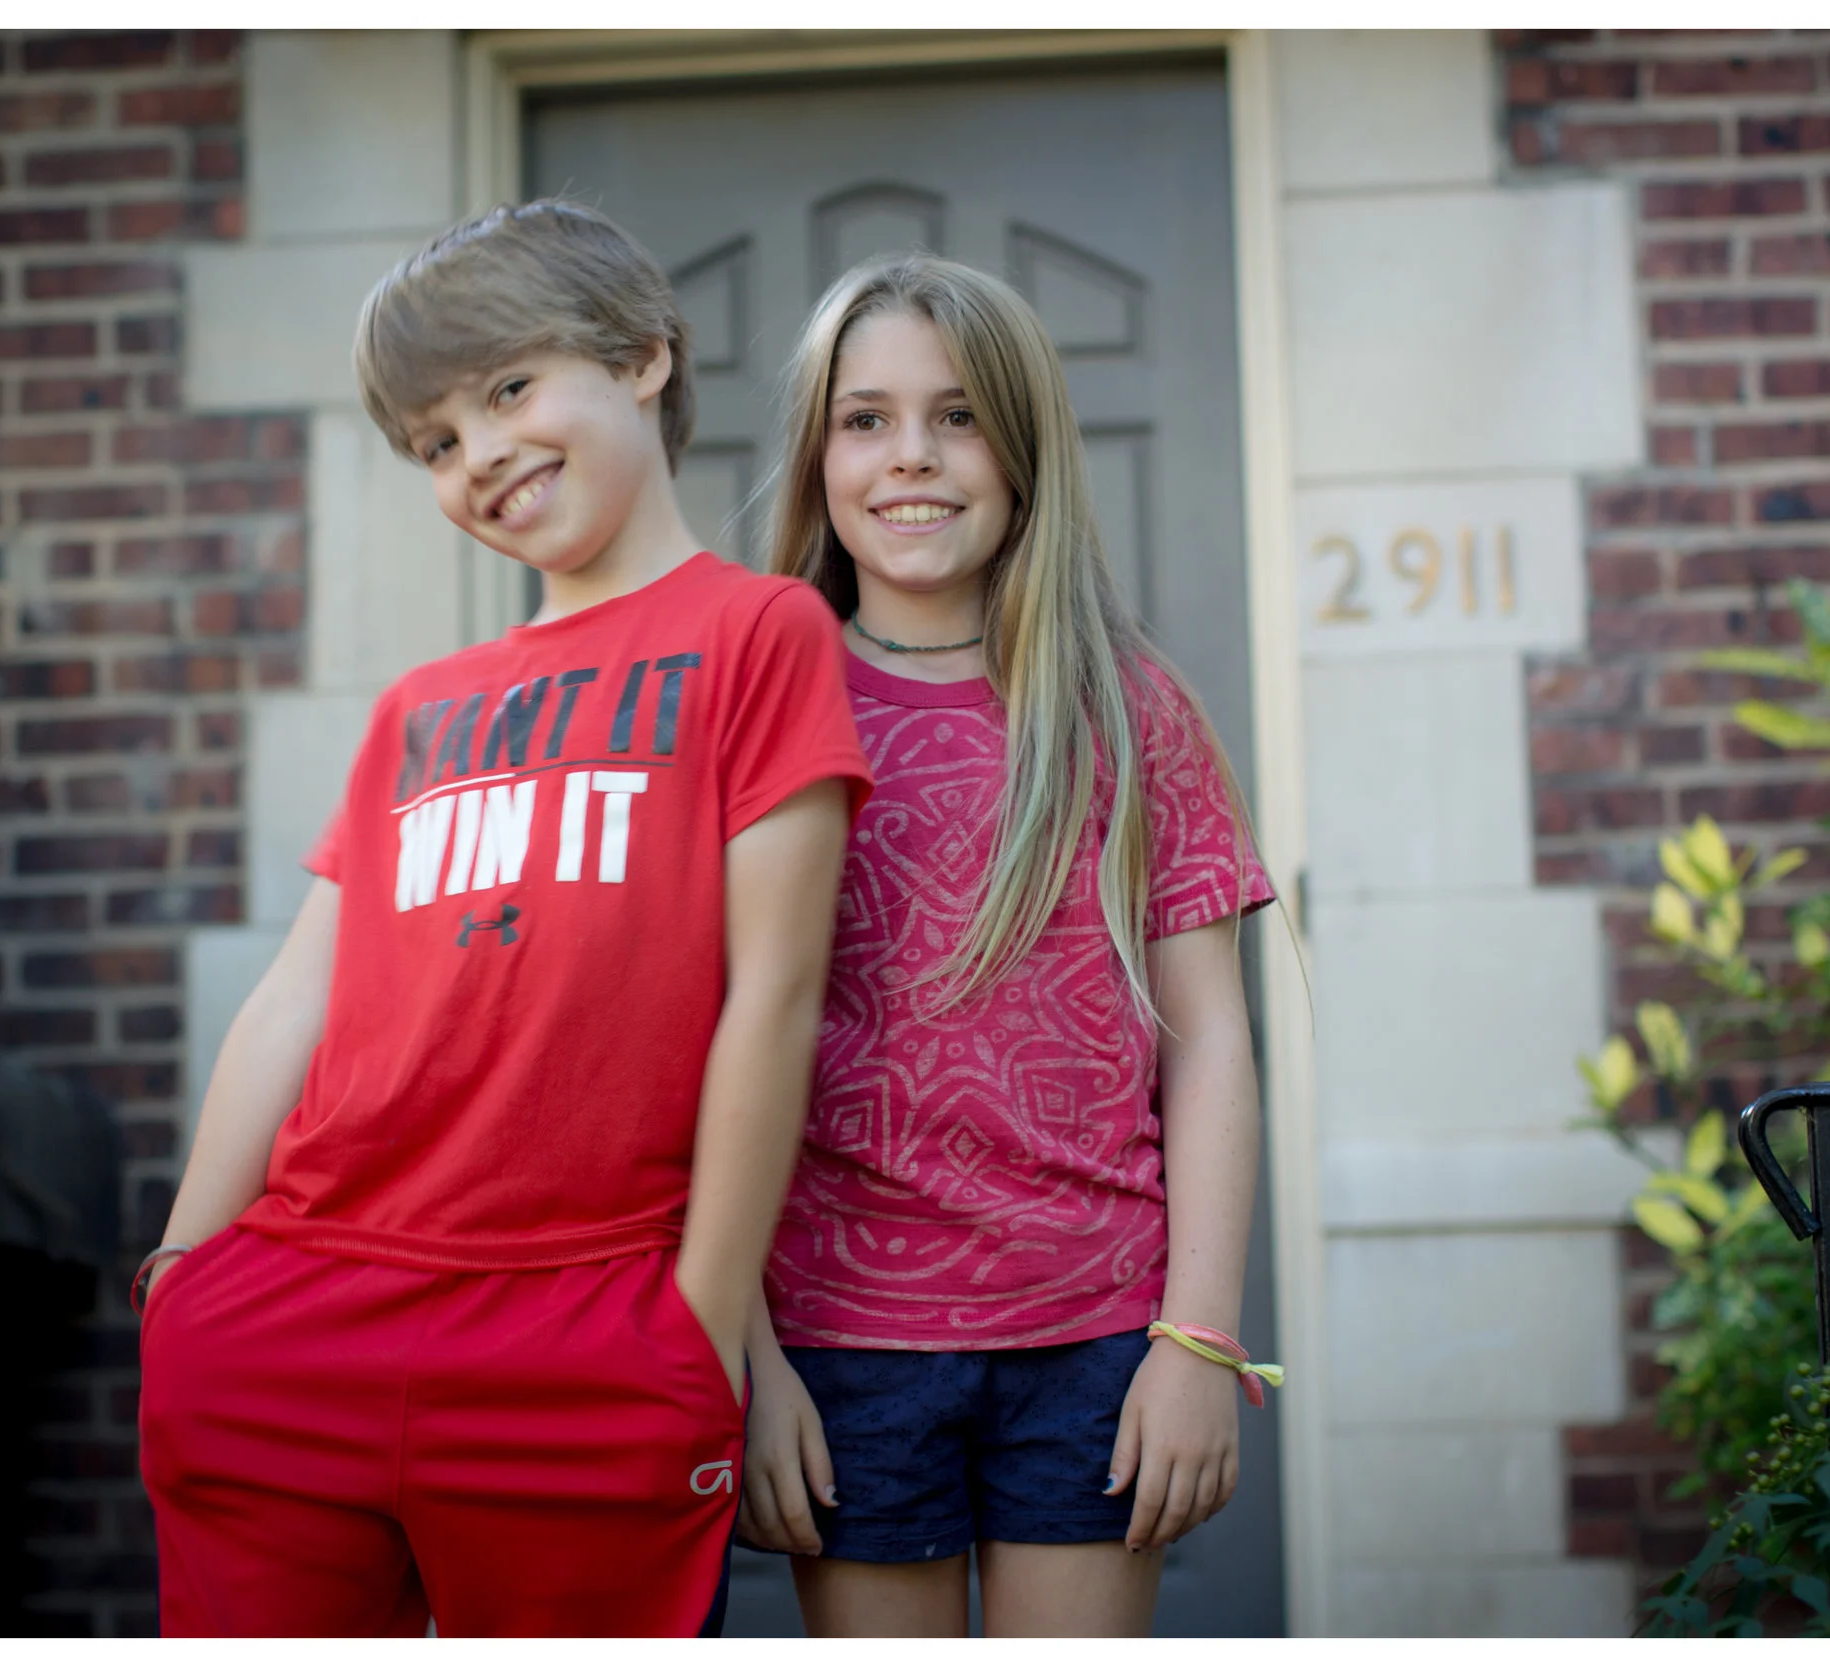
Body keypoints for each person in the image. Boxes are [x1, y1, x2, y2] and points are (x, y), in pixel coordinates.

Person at [132, 199, 872, 1637]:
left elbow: (773, 995)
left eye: (511, 388)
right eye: (436, 441)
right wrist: (181, 1277)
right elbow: (297, 998)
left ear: (644, 357)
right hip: (296, 1311)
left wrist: (702, 1320)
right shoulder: (419, 709)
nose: (479, 453)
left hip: (587, 1334)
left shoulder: (758, 632)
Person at [739, 255, 1279, 1638]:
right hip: (839, 1339)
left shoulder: (1131, 707)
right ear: (817, 454)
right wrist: (744, 1350)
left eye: (960, 415)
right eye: (865, 419)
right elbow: (697, 1044)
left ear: (1025, 448)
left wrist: (1200, 1338)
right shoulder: (762, 707)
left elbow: (1211, 1039)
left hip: (1097, 1332)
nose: (911, 455)